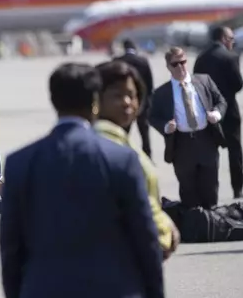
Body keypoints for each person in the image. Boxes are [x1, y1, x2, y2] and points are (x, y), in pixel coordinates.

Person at [0, 62, 166, 298]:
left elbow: (11, 248)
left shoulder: (19, 163)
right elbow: (145, 239)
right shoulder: (121, 159)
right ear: (95, 103)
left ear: (54, 101)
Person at [94, 60, 180, 259]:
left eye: (132, 95)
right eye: (117, 95)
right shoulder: (99, 146)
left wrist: (166, 225)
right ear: (96, 99)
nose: (127, 103)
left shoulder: (124, 142)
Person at [149, 47, 227, 208]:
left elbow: (221, 101)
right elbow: (152, 116)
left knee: (210, 189)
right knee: (188, 192)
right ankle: (193, 228)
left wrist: (217, 115)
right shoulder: (161, 93)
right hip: (182, 145)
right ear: (168, 67)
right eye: (175, 64)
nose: (180, 67)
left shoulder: (204, 80)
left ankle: (212, 226)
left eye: (183, 62)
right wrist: (165, 127)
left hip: (206, 141)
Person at [194, 26, 243, 198]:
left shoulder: (201, 57)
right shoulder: (231, 57)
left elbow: (196, 82)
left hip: (208, 110)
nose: (232, 43)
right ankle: (237, 188)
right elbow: (238, 84)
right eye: (231, 39)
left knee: (209, 151)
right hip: (229, 111)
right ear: (223, 38)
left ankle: (210, 191)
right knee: (235, 150)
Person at [114, 39, 154, 157]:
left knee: (124, 131)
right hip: (141, 102)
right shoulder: (143, 61)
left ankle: (122, 154)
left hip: (125, 102)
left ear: (124, 47)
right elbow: (150, 84)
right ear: (134, 48)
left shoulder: (118, 61)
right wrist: (147, 101)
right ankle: (148, 156)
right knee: (144, 133)